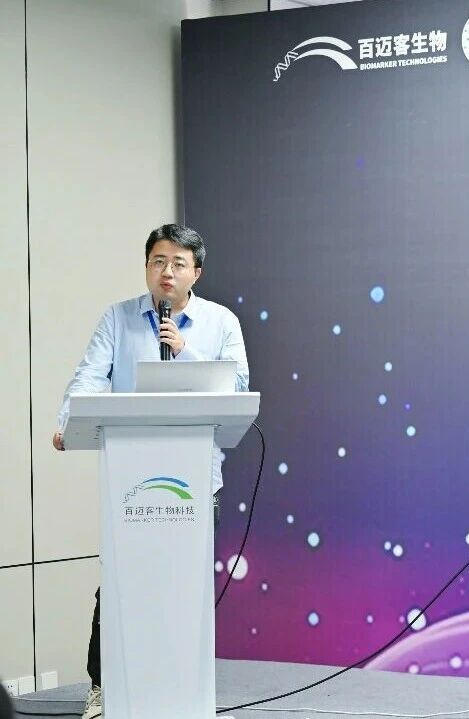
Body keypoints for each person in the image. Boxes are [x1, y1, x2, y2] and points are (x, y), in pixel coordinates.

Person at [53, 224, 249, 719]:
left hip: (196, 481)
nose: (167, 272)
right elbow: (89, 376)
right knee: (120, 585)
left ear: (196, 273)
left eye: (178, 263)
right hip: (131, 482)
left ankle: (183, 692)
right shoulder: (117, 319)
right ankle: (104, 688)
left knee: (185, 588)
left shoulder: (221, 322)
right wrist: (67, 421)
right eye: (158, 261)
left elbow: (238, 388)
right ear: (146, 266)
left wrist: (185, 352)